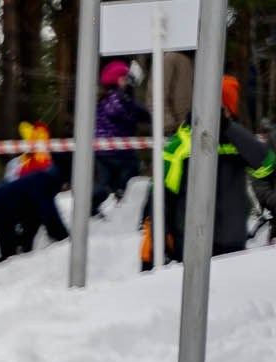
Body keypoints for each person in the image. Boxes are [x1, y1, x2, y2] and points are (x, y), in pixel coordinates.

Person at [152, 75, 273, 266]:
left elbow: (267, 165)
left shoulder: (238, 141)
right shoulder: (182, 143)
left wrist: (230, 129)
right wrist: (159, 243)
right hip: (192, 240)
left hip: (232, 240)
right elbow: (162, 197)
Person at [93, 61, 150, 207]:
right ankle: (115, 196)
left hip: (105, 150)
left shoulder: (112, 97)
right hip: (114, 150)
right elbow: (125, 111)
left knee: (106, 182)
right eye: (124, 78)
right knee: (130, 168)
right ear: (116, 80)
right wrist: (145, 115)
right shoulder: (115, 98)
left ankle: (99, 202)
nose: (126, 82)